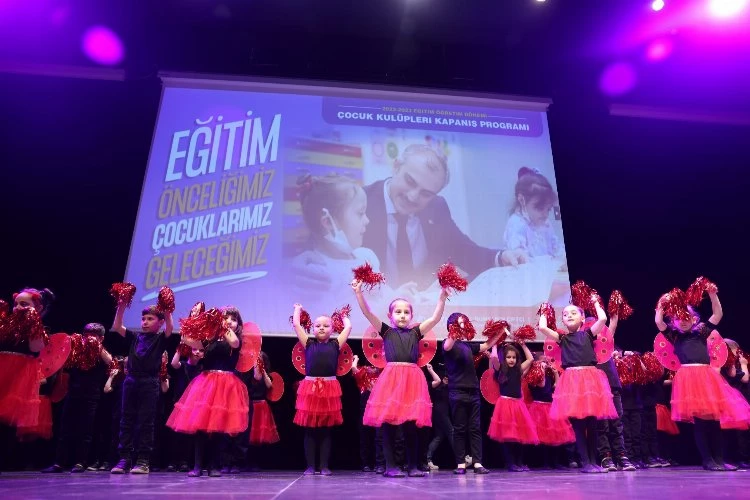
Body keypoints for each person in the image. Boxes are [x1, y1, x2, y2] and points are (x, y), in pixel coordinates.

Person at [354, 279, 448, 478]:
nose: (402, 315)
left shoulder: (416, 332)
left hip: (412, 380)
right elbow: (368, 313)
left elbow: (434, 318)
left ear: (412, 316)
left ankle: (412, 466)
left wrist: (441, 298)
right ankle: (390, 467)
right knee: (388, 426)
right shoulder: (387, 332)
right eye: (398, 312)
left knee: (410, 426)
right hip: (392, 380)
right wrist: (359, 293)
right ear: (390, 316)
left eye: (406, 312)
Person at [655, 289, 744, 471]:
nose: (683, 321)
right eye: (678, 318)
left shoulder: (701, 332)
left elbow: (718, 314)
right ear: (674, 321)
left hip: (707, 377)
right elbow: (658, 321)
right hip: (689, 380)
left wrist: (712, 294)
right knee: (701, 422)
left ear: (694, 319)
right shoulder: (674, 336)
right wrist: (662, 305)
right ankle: (708, 460)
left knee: (715, 421)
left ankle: (719, 459)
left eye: (687, 317)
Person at [167, 306, 249, 477]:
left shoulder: (235, 340)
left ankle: (214, 465)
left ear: (238, 324)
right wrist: (194, 320)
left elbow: (234, 342)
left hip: (226, 386)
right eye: (226, 318)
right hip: (206, 384)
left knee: (218, 428)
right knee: (201, 427)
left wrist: (221, 325)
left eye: (233, 319)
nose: (229, 322)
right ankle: (197, 465)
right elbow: (187, 340)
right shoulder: (209, 339)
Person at [538, 302, 617, 473]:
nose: (569, 315)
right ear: (563, 321)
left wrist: (595, 302)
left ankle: (594, 462)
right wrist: (544, 310)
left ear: (582, 318)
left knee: (593, 425)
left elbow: (603, 318)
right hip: (572, 382)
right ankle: (586, 462)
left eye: (574, 313)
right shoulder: (562, 338)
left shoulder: (588, 334)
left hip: (590, 381)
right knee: (579, 426)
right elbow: (543, 327)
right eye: (566, 314)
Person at [109, 299, 174, 474]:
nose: (145, 322)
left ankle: (143, 460)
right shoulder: (135, 337)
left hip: (149, 382)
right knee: (126, 420)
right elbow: (117, 326)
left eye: (150, 319)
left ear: (160, 322)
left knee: (146, 422)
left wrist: (167, 310)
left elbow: (170, 327)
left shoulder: (160, 339)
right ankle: (124, 459)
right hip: (131, 381)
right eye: (143, 318)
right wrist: (121, 306)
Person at [42, 323, 112, 473]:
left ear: (101, 338)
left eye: (93, 336)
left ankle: (81, 462)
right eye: (86, 335)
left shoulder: (102, 352)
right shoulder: (77, 350)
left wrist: (97, 345)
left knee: (85, 430)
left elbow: (110, 361)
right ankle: (59, 462)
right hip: (73, 393)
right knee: (65, 428)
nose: (89, 338)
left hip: (91, 395)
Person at [291, 304, 352, 475]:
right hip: (310, 389)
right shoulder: (308, 344)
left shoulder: (335, 344)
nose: (322, 328)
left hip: (329, 390)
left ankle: (324, 465)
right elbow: (296, 324)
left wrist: (343, 316)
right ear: (313, 329)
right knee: (310, 430)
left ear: (332, 329)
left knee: (325, 431)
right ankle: (310, 466)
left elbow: (348, 327)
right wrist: (297, 309)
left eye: (326, 325)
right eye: (318, 325)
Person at [442, 313, 499, 474]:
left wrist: (499, 332)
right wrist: (454, 330)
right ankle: (461, 464)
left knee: (475, 428)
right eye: (461, 322)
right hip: (457, 391)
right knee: (460, 428)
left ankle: (477, 463)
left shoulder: (467, 346)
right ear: (452, 325)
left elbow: (486, 345)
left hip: (473, 391)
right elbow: (447, 346)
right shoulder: (448, 343)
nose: (464, 325)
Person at [487, 342, 539, 471]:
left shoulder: (518, 369)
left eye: (514, 357)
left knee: (520, 436)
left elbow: (530, 359)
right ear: (504, 358)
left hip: (518, 405)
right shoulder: (500, 369)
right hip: (505, 405)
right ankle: (511, 463)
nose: (511, 360)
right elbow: (494, 357)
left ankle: (519, 462)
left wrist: (523, 345)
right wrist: (495, 344)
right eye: (508, 357)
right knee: (508, 436)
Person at [595, 315, 636, 471]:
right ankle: (605, 456)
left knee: (617, 423)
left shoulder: (607, 342)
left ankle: (621, 456)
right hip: (597, 388)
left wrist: (615, 309)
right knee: (602, 425)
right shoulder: (585, 345)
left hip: (612, 385)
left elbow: (612, 323)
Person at [503, 167, 564, 262]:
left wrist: (563, 257)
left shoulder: (545, 223)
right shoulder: (516, 223)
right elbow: (519, 256)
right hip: (526, 269)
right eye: (540, 208)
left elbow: (556, 247)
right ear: (522, 200)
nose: (546, 214)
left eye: (548, 209)